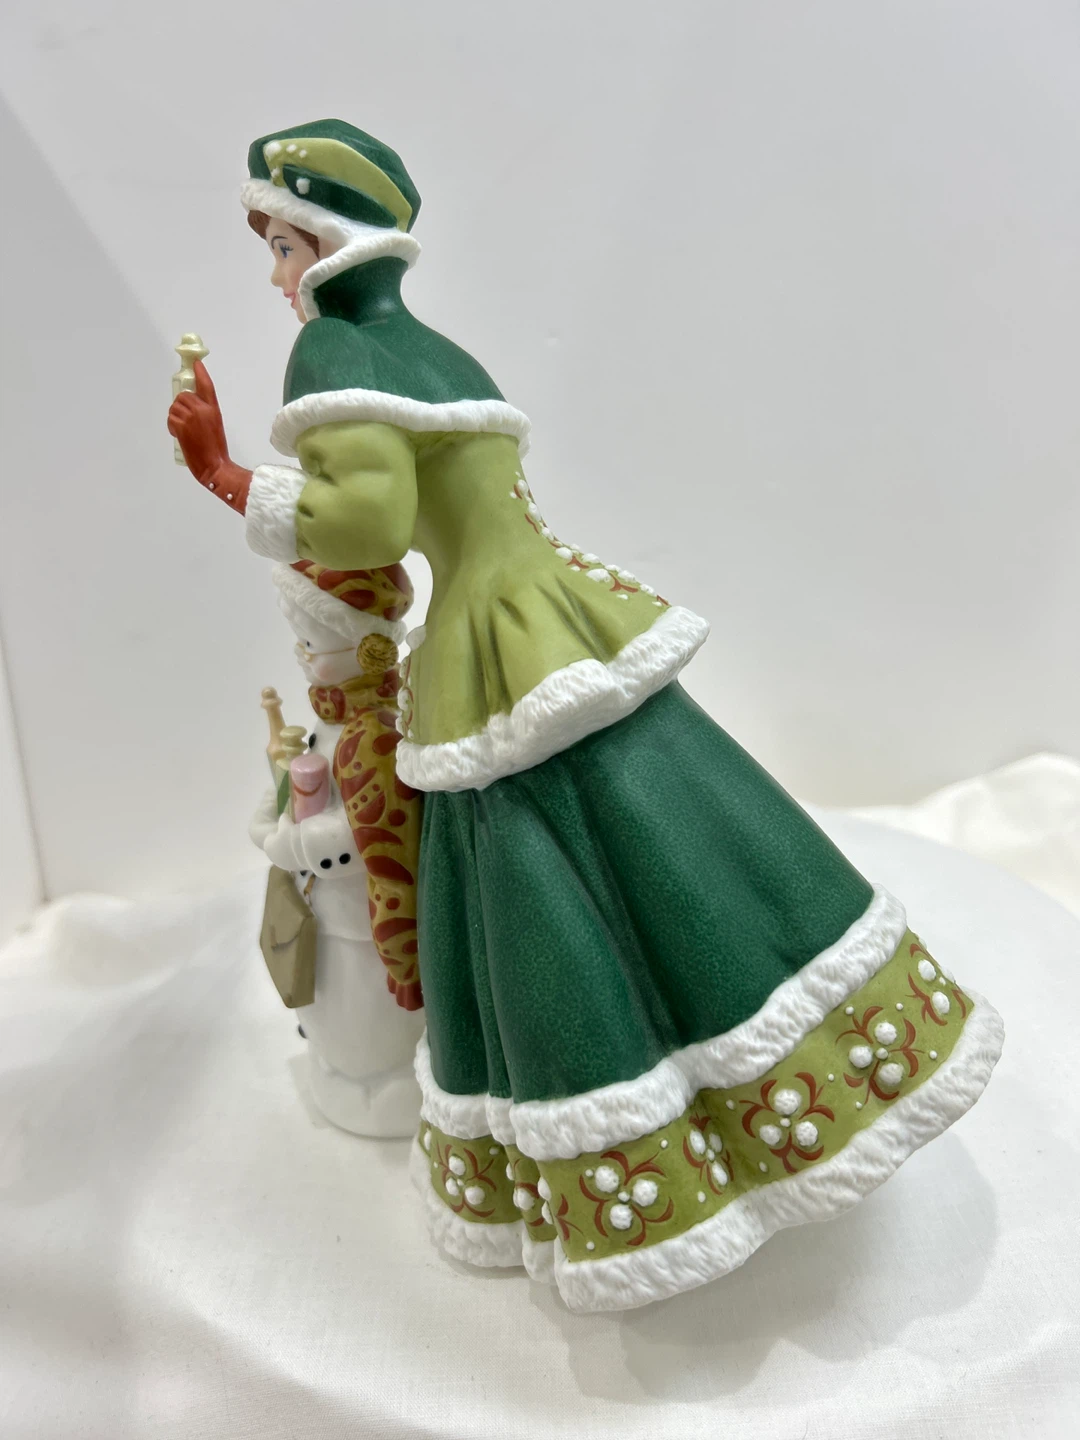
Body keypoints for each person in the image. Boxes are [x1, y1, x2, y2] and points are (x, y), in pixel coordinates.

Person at [168, 119, 1003, 1313]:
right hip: (554, 602)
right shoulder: (439, 349)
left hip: (485, 636)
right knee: (661, 818)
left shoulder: (334, 350)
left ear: (332, 242)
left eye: (284, 245)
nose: (274, 275)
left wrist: (227, 477)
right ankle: (777, 1076)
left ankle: (643, 1136)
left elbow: (367, 523)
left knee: (531, 870)